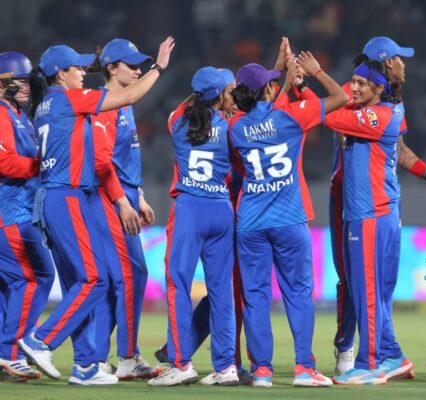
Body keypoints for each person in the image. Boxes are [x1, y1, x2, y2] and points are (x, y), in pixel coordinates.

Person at [17, 38, 174, 385]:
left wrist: (135, 195)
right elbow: (129, 98)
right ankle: (41, 340)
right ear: (60, 74)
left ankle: (86, 365)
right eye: (76, 68)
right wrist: (159, 68)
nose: (82, 73)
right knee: (94, 279)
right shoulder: (69, 99)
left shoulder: (44, 105)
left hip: (53, 198)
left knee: (80, 281)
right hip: (68, 196)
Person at [330, 37, 426, 377]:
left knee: (368, 288)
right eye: (401, 58)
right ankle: (387, 353)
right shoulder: (367, 96)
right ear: (388, 64)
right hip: (366, 203)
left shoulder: (383, 106)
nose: (405, 64)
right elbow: (393, 148)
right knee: (368, 288)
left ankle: (370, 361)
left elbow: (327, 114)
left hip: (370, 208)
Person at [229, 53, 348, 387]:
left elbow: (243, 154)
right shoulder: (292, 116)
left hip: (250, 222)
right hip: (288, 219)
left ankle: (262, 371)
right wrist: (312, 75)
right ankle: (303, 368)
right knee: (297, 293)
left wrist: (282, 80)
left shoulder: (235, 127)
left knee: (255, 297)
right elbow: (341, 98)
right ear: (268, 89)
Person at [152, 67, 254, 385]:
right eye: (229, 90)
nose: (233, 95)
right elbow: (243, 165)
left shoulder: (177, 122)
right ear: (219, 96)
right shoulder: (231, 128)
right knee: (222, 292)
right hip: (221, 211)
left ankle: (181, 365)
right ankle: (225, 368)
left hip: (189, 211)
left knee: (178, 286)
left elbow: (183, 107)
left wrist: (203, 93)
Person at [85, 38, 162, 380]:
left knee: (117, 278)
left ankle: (99, 357)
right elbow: (102, 164)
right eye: (131, 65)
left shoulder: (124, 105)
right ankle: (125, 356)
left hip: (126, 194)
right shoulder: (106, 105)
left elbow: (123, 158)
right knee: (130, 275)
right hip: (110, 198)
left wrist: (139, 195)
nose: (137, 70)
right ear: (112, 68)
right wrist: (122, 201)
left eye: (139, 65)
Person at [0, 53, 55, 381]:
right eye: (19, 80)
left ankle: (5, 355)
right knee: (35, 276)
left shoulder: (19, 115)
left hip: (16, 210)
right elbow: (4, 162)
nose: (26, 86)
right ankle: (9, 352)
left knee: (8, 286)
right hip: (9, 213)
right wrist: (43, 166)